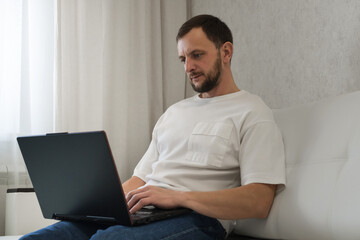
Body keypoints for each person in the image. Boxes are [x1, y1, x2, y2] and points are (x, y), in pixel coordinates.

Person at [20, 14, 286, 240]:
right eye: (183, 59)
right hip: (147, 211)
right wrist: (96, 204)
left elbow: (259, 201)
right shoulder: (175, 112)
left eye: (197, 55)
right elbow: (140, 179)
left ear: (226, 52)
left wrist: (179, 197)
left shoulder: (252, 112)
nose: (189, 67)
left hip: (200, 219)